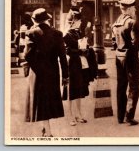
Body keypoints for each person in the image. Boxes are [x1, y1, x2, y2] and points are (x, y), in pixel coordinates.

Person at [24, 8, 69, 137]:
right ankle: (45, 128)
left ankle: (47, 132)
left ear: (34, 20)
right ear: (48, 19)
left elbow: (27, 56)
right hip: (53, 73)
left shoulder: (32, 33)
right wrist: (65, 76)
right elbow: (63, 57)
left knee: (40, 101)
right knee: (48, 101)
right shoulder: (57, 34)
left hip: (38, 73)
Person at [111, 0, 139, 126]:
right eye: (133, 8)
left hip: (119, 57)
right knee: (134, 87)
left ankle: (120, 117)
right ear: (128, 9)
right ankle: (129, 115)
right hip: (130, 57)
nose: (135, 10)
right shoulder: (132, 23)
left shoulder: (116, 23)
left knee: (121, 87)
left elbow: (113, 43)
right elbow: (135, 42)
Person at [63, 27, 97, 126]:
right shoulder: (67, 35)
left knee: (79, 90)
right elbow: (67, 51)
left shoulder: (78, 33)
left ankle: (78, 114)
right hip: (72, 65)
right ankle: (70, 116)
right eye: (78, 21)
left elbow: (85, 47)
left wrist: (86, 49)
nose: (80, 23)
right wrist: (80, 51)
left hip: (81, 64)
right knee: (70, 91)